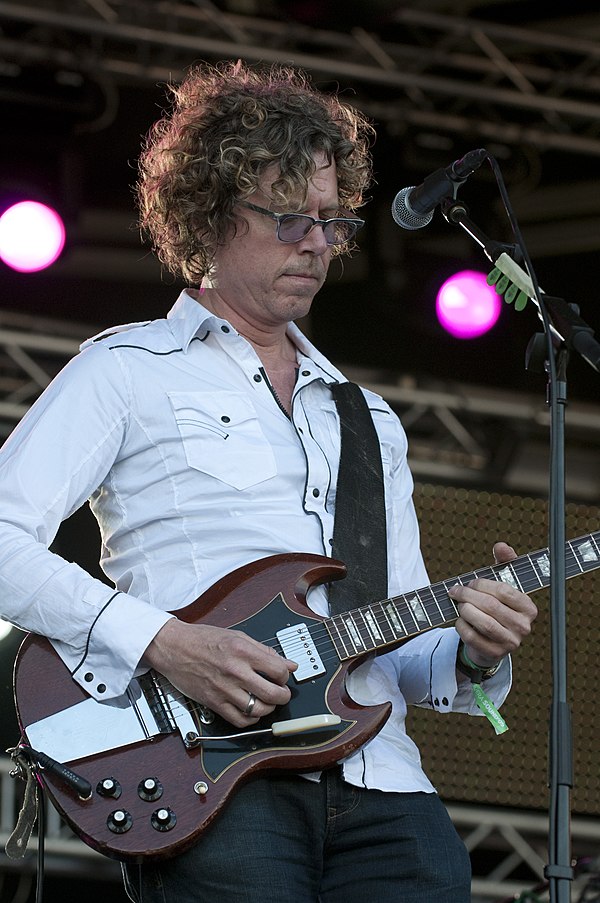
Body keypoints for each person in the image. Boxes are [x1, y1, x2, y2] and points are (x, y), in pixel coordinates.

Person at [0, 60, 537, 902]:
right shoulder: (126, 369)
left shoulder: (369, 420)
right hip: (211, 775)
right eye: (290, 217)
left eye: (333, 221)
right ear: (210, 216)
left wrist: (473, 644)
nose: (318, 243)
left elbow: (397, 635)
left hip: (386, 786)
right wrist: (166, 642)